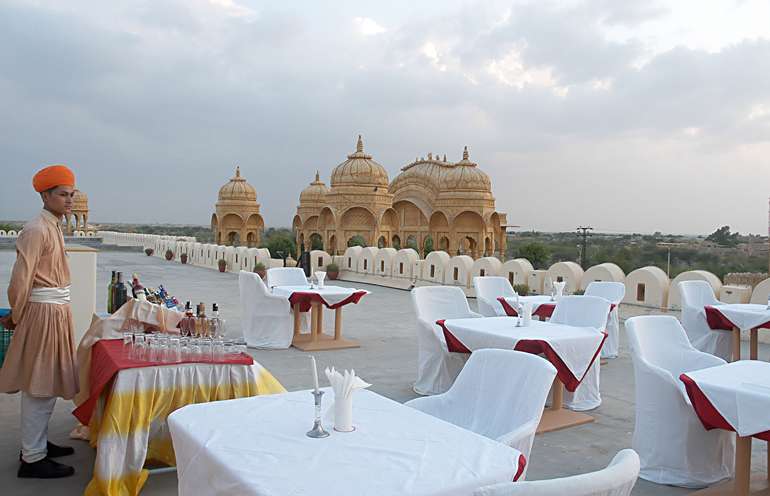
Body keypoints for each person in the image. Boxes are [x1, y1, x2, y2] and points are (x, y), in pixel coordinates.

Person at [0, 165, 79, 478]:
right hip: (43, 314)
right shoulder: (36, 229)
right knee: (39, 384)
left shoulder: (53, 225)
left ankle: (38, 444)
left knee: (47, 382)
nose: (69, 200)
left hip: (55, 312)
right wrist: (16, 315)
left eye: (71, 194)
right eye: (62, 194)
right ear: (45, 195)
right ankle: (32, 458)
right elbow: (21, 278)